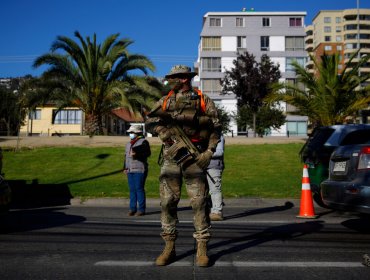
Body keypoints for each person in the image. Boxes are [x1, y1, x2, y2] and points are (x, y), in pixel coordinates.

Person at [145, 65, 220, 267]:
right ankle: (169, 246)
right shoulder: (165, 100)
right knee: (167, 201)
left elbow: (216, 127)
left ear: (185, 78)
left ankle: (202, 247)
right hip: (171, 156)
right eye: (171, 77)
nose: (171, 80)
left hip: (195, 158)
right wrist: (162, 131)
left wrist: (209, 152)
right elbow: (150, 121)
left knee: (199, 203)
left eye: (176, 77)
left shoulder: (203, 100)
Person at [123, 125, 151, 217]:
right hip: (130, 170)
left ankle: (141, 209)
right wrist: (124, 167)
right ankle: (132, 209)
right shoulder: (128, 144)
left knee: (139, 189)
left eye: (132, 132)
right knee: (132, 190)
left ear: (138, 133)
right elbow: (125, 157)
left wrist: (136, 154)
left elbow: (147, 153)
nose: (130, 134)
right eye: (130, 133)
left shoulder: (144, 142)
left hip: (140, 169)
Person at [207, 134, 225, 221]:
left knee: (215, 190)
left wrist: (204, 154)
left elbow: (220, 152)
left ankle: (217, 212)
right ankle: (207, 210)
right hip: (201, 166)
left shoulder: (218, 136)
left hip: (214, 166)